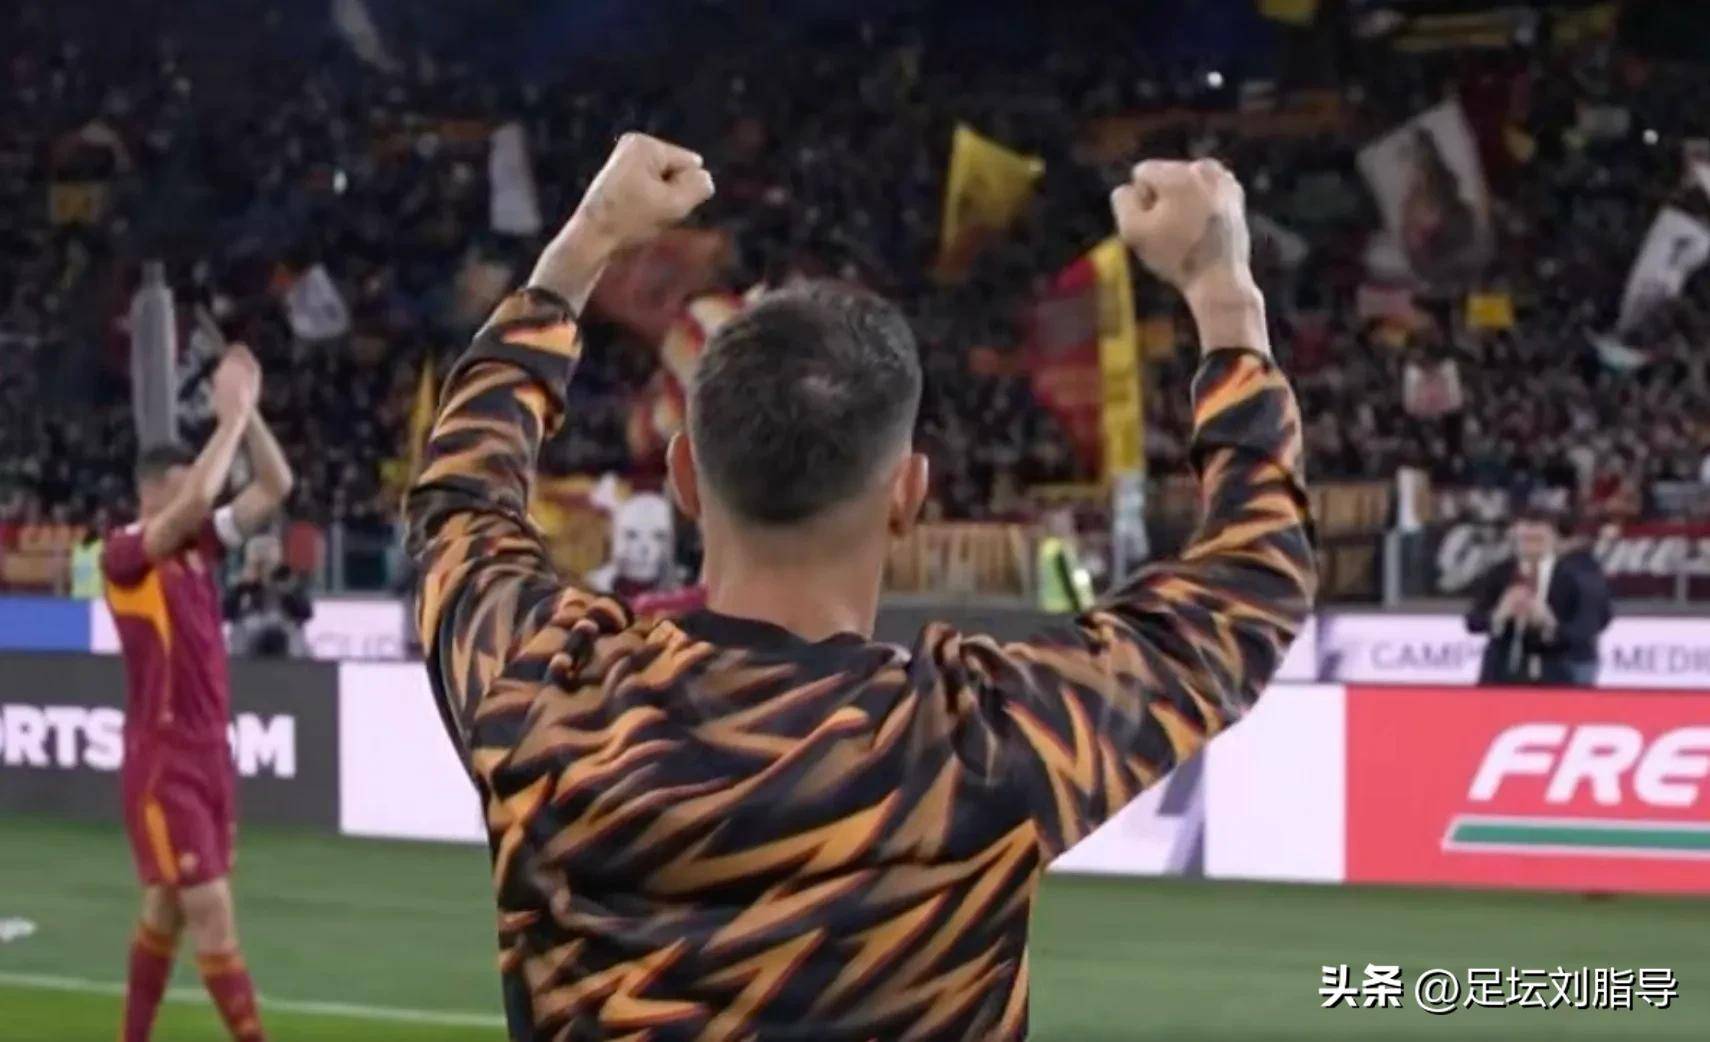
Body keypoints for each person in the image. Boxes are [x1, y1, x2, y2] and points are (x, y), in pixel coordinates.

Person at [405, 135, 1314, 1040]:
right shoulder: (975, 744)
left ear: (684, 479)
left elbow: (460, 499)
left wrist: (584, 245)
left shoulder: (548, 697)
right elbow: (1251, 585)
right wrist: (1222, 292)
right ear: (908, 495)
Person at [102, 343, 294, 1042]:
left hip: (213, 752)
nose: (195, 501)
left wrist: (250, 413)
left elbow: (274, 486)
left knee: (166, 907)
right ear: (152, 491)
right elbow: (192, 506)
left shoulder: (197, 549)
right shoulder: (124, 554)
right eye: (182, 489)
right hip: (165, 761)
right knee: (209, 909)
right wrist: (228, 422)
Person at [1466, 512, 1612, 686]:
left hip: (1560, 672)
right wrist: (1499, 614)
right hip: (1502, 672)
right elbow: (1473, 622)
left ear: (1554, 539)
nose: (1530, 546)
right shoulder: (1499, 573)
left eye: (1537, 539)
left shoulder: (1576, 575)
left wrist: (1549, 624)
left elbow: (1592, 625)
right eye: (1525, 539)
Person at [223, 533, 313, 658]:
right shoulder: (242, 586)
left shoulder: (289, 583)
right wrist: (242, 589)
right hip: (248, 644)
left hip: (286, 641)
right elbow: (224, 613)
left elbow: (306, 613)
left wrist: (284, 590)